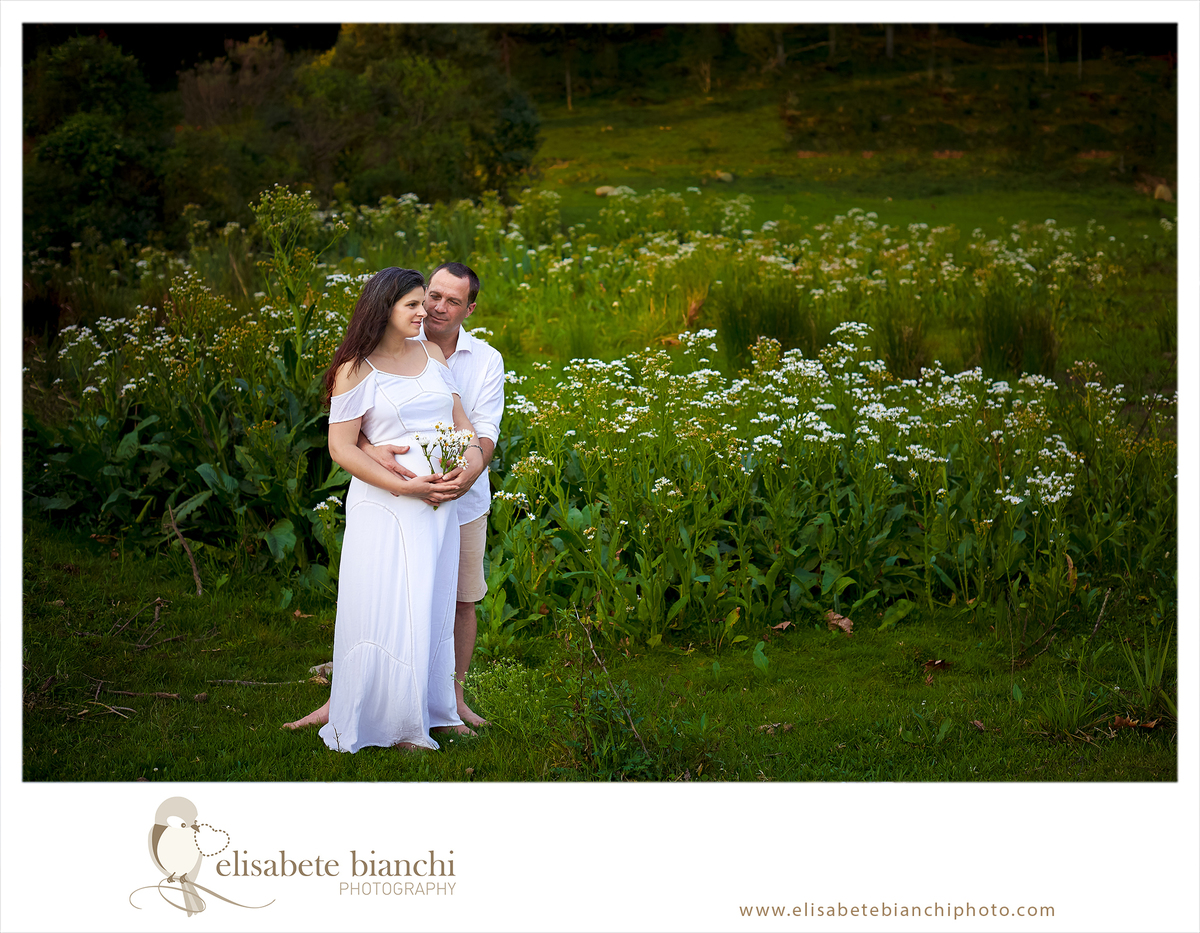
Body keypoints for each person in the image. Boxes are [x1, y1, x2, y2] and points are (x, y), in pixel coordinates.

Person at [283, 267, 487, 751]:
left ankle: (429, 707)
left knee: (429, 603)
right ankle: (390, 720)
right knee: (388, 606)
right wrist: (406, 487)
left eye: (423, 302)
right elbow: (341, 447)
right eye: (413, 305)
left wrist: (468, 464)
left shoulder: (432, 354)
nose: (425, 312)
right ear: (384, 308)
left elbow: (462, 423)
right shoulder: (356, 368)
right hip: (387, 505)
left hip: (438, 506)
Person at [359, 262, 504, 729]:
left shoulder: (485, 360)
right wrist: (370, 450)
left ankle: (451, 700)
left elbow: (484, 429)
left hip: (464, 499)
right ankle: (370, 691)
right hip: (400, 497)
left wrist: (467, 476)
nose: (437, 308)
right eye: (432, 296)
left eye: (451, 301)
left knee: (460, 599)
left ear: (469, 309)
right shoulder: (398, 337)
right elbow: (351, 420)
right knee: (389, 594)